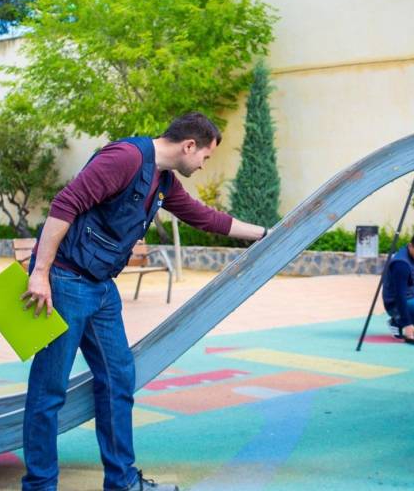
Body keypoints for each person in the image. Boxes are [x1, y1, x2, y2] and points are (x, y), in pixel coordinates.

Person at [21, 112, 269, 491]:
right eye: (205, 156)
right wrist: (40, 273)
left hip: (101, 288)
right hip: (67, 282)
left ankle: (121, 482)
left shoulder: (163, 180)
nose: (204, 165)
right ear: (189, 145)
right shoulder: (126, 158)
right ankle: (39, 486)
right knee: (48, 391)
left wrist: (266, 234)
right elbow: (64, 204)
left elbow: (204, 218)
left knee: (119, 381)